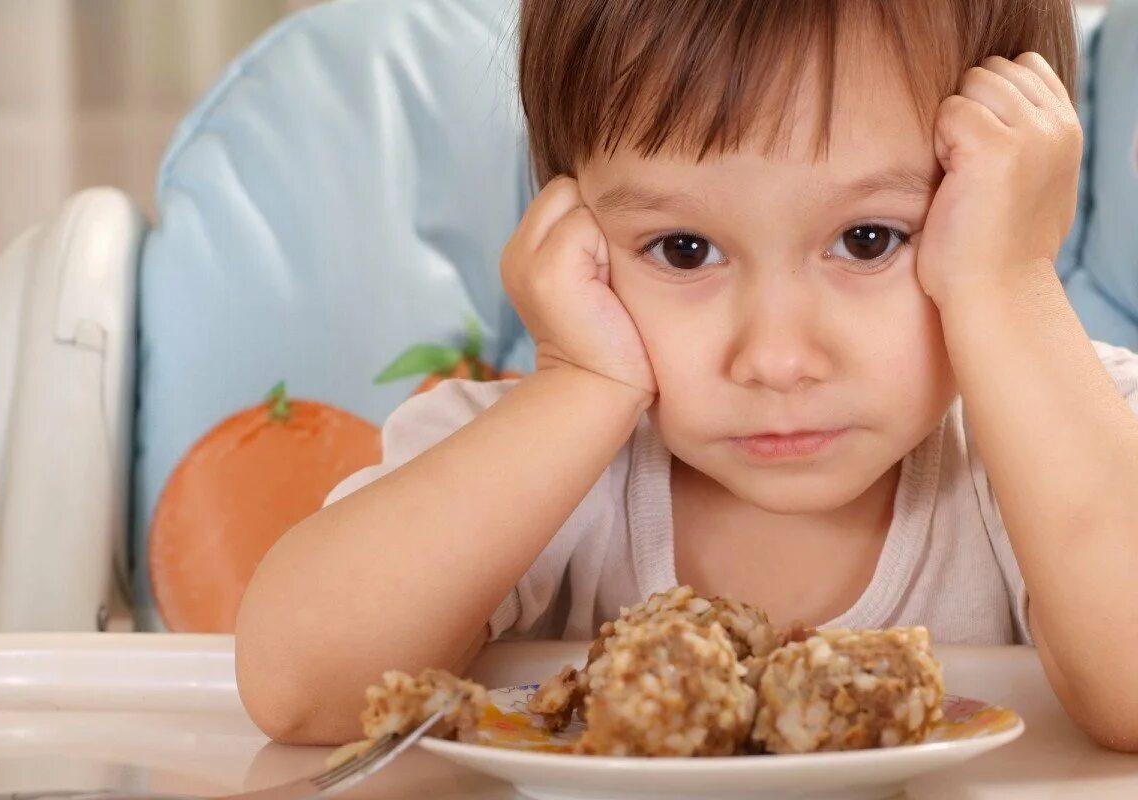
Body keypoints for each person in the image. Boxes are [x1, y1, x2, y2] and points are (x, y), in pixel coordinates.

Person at [235, 0, 1138, 751]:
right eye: (684, 248)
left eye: (870, 239)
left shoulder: (1068, 426)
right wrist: (581, 384)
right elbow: (300, 693)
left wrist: (1009, 289)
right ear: (572, 230)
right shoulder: (529, 457)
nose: (777, 358)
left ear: (1008, 210)